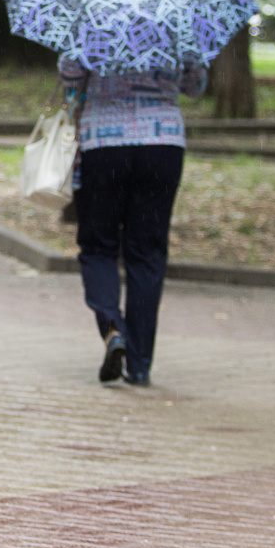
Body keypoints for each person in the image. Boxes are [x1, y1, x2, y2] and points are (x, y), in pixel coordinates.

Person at [60, 55, 207, 388]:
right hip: (163, 144)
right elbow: (196, 86)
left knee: (98, 245)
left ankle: (113, 328)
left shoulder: (94, 17)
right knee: (148, 251)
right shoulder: (178, 20)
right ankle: (139, 364)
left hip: (104, 143)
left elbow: (70, 77)